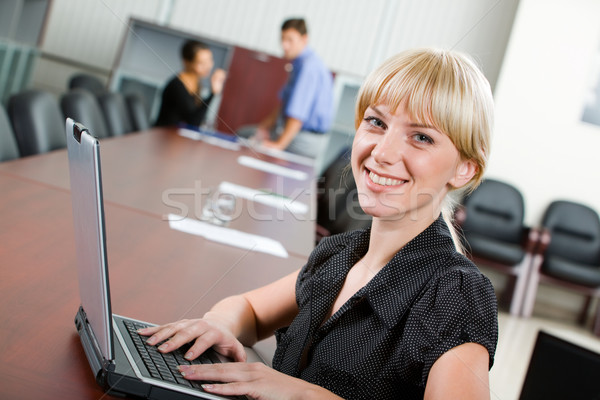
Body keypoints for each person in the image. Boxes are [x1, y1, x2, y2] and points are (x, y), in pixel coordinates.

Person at [140, 48, 498, 399]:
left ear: (465, 168)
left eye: (421, 137)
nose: (383, 152)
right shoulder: (339, 254)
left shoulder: (456, 295)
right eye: (376, 122)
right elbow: (248, 309)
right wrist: (219, 325)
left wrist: (304, 395)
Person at [239, 18, 334, 165]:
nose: (284, 45)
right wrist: (262, 128)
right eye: (282, 39)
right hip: (299, 135)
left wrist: (279, 145)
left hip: (304, 139)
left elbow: (297, 114)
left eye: (290, 40)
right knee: (249, 133)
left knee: (246, 138)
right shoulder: (300, 63)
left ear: (304, 39)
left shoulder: (308, 67)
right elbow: (284, 105)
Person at [154, 40, 226, 127]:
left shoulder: (196, 83)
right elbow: (193, 121)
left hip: (177, 136)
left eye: (209, 60)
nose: (208, 66)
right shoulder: (177, 86)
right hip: (164, 135)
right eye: (201, 63)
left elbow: (198, 115)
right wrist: (213, 93)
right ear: (186, 62)